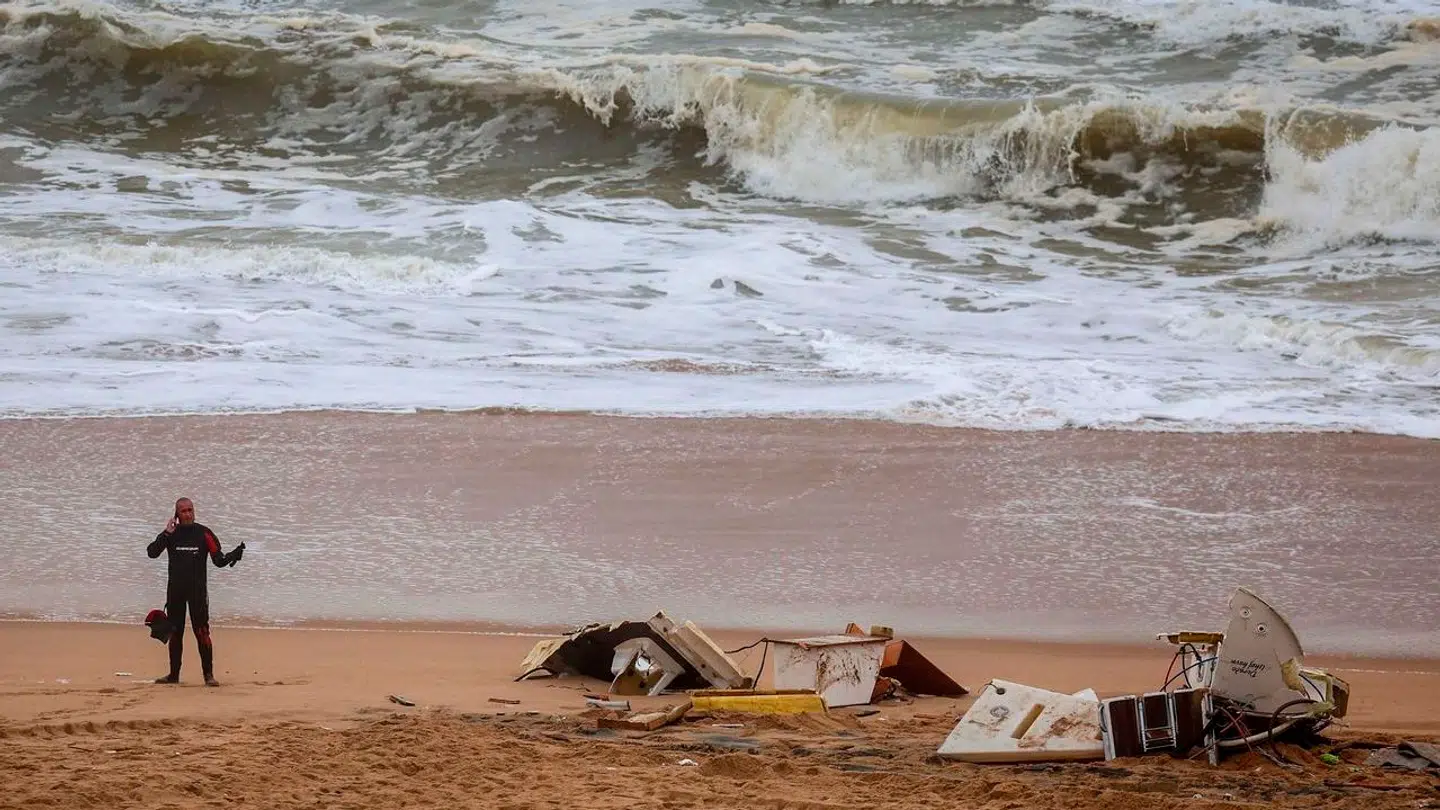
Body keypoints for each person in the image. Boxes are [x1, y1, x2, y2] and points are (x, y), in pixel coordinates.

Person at [146, 497, 244, 686]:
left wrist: (234, 555)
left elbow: (219, 560)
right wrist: (166, 533)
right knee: (175, 633)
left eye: (190, 510)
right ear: (177, 514)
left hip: (197, 592)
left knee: (202, 632)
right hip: (175, 592)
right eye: (183, 511)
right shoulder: (171, 534)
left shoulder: (204, 533)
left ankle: (208, 676)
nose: (188, 514)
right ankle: (174, 676)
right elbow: (152, 552)